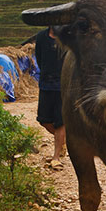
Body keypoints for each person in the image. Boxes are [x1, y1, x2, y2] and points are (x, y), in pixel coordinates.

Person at [35, 26, 66, 170]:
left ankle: (56, 157)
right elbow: (39, 58)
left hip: (63, 86)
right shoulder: (41, 37)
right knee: (44, 120)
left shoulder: (67, 37)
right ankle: (63, 140)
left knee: (60, 122)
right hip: (46, 84)